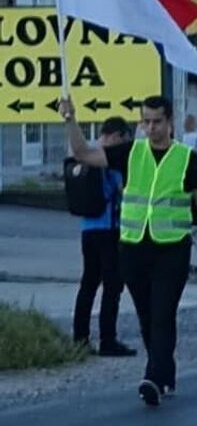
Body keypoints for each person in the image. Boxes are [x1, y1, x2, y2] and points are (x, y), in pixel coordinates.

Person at [62, 96, 197, 407]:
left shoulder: (185, 157)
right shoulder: (131, 151)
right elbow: (84, 153)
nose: (151, 128)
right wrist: (71, 120)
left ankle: (153, 376)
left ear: (170, 122)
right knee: (146, 315)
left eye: (157, 122)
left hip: (172, 247)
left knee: (163, 313)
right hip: (133, 246)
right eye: (146, 122)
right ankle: (164, 367)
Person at [72, 116, 136, 357]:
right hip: (109, 229)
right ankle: (108, 340)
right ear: (118, 136)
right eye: (124, 140)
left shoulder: (85, 154)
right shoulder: (107, 158)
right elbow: (122, 190)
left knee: (88, 283)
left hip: (87, 228)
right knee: (113, 285)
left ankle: (80, 338)